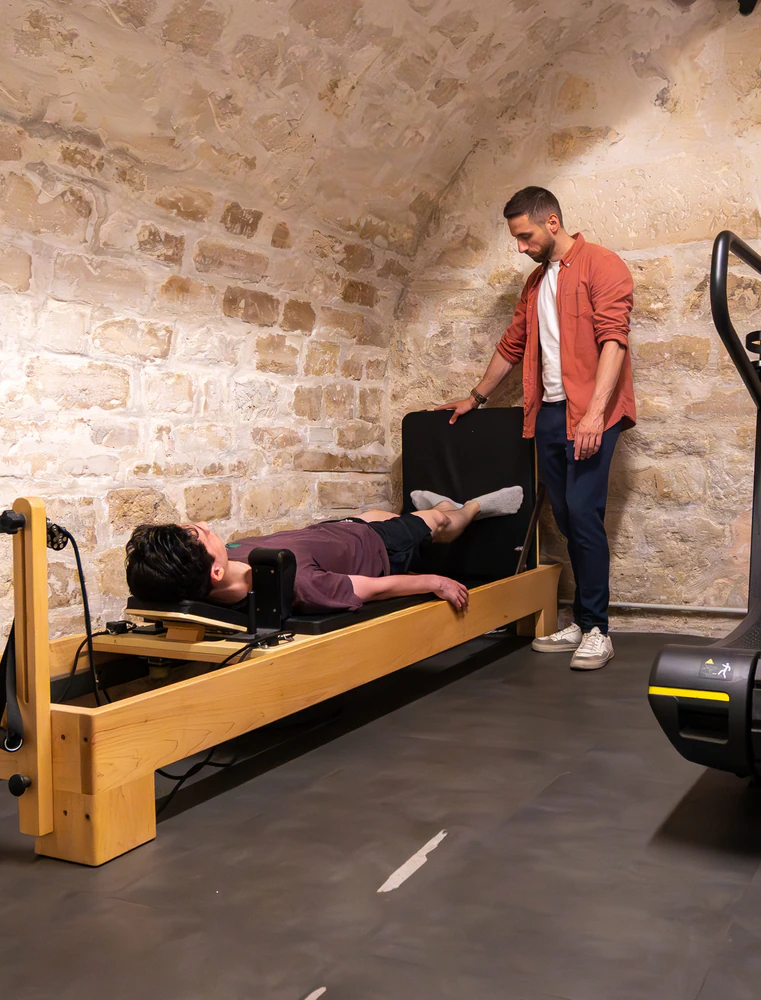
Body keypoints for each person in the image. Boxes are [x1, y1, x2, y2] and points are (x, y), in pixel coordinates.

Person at [438, 186, 636, 671]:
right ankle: (584, 619)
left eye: (525, 236)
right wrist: (476, 397)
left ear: (551, 223)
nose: (521, 247)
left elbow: (614, 340)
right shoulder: (534, 284)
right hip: (547, 413)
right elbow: (512, 345)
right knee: (567, 518)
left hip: (590, 413)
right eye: (516, 239)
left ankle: (598, 630)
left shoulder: (602, 264)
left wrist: (593, 414)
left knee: (584, 515)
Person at [124, 486, 523, 615]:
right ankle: (472, 506)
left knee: (386, 512)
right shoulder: (292, 582)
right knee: (440, 524)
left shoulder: (225, 561)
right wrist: (433, 581)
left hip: (342, 531)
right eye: (202, 534)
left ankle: (436, 508)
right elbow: (370, 588)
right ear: (212, 573)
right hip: (381, 547)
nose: (210, 527)